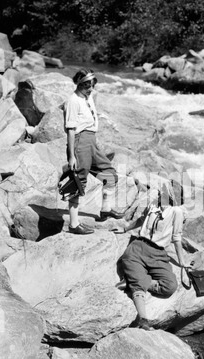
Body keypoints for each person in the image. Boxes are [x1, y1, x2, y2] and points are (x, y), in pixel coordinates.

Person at [112, 183, 188, 331]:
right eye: (161, 192)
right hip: (137, 248)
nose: (160, 195)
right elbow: (141, 219)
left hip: (158, 253)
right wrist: (125, 228)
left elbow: (177, 238)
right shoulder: (153, 206)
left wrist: (183, 263)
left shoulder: (177, 212)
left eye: (164, 193)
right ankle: (144, 320)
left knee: (170, 286)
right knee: (138, 287)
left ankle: (133, 280)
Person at [64, 68, 124, 235]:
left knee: (109, 174)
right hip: (80, 142)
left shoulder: (87, 97)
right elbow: (70, 130)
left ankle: (105, 210)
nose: (90, 88)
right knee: (78, 181)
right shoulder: (73, 101)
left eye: (91, 85)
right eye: (86, 85)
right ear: (79, 84)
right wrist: (71, 155)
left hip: (91, 141)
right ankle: (74, 224)